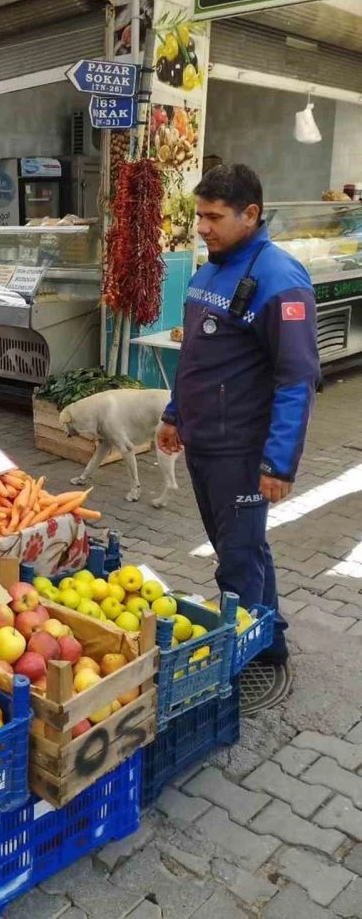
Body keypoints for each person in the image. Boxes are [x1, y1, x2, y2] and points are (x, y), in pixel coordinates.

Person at [157, 164, 320, 665]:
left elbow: (297, 379)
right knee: (240, 544)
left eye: (213, 216)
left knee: (237, 559)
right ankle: (269, 639)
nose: (202, 227)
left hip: (241, 449)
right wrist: (173, 413)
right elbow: (195, 358)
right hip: (203, 439)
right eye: (199, 215)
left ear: (250, 214)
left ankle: (238, 660)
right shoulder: (211, 268)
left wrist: (279, 463)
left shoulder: (280, 279)